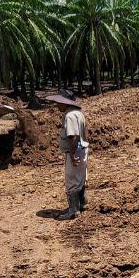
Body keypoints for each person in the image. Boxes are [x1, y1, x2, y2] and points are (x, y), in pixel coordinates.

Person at [45, 89, 88, 220]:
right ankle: (81, 203)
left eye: (59, 102)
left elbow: (73, 137)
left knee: (71, 181)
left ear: (65, 103)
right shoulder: (78, 113)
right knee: (80, 178)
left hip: (76, 151)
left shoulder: (70, 116)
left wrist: (72, 154)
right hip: (83, 149)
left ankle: (73, 210)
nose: (57, 105)